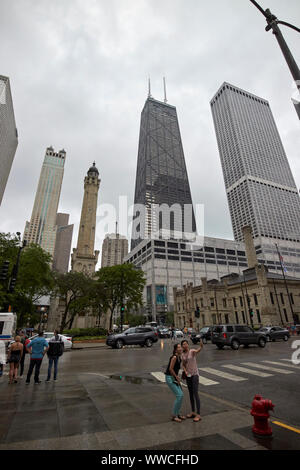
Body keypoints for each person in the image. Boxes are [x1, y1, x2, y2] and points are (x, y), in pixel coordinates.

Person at [181, 339, 203, 422]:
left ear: (188, 345)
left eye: (186, 344)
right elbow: (183, 364)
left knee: (195, 393)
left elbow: (198, 350)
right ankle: (193, 412)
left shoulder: (192, 351)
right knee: (190, 394)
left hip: (194, 375)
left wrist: (201, 346)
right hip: (188, 376)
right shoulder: (183, 354)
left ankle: (198, 414)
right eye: (183, 344)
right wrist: (185, 371)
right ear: (182, 346)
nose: (185, 345)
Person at [165, 343, 186, 423]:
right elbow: (170, 369)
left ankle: (177, 413)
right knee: (179, 395)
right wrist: (176, 377)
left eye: (181, 347)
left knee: (181, 395)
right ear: (175, 349)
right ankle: (174, 415)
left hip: (174, 378)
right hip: (170, 378)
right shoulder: (174, 357)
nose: (180, 348)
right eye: (179, 347)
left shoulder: (179, 357)